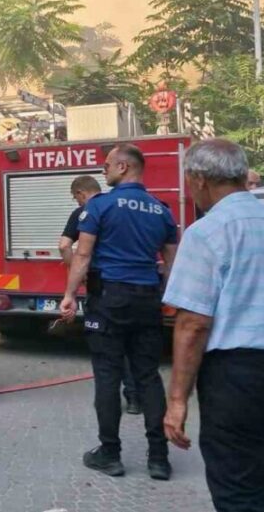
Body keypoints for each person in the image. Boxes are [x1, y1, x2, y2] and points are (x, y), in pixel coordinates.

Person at [59, 144, 179, 480]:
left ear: (124, 167)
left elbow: (82, 255)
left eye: (108, 164)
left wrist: (69, 295)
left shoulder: (100, 205)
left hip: (108, 300)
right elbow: (171, 262)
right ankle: (159, 458)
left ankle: (110, 454)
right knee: (148, 376)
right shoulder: (161, 210)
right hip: (147, 301)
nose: (104, 170)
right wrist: (166, 297)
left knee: (108, 375)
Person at [162, 140, 264, 512]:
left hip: (238, 378)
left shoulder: (207, 232)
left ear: (199, 179)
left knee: (239, 488)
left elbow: (193, 324)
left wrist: (177, 400)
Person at [58, 175, 141, 416]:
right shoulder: (122, 208)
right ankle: (137, 397)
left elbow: (64, 245)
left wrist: (75, 272)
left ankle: (114, 402)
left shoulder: (86, 211)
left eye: (76, 198)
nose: (77, 202)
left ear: (81, 193)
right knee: (134, 343)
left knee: (108, 345)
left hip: (102, 287)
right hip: (137, 286)